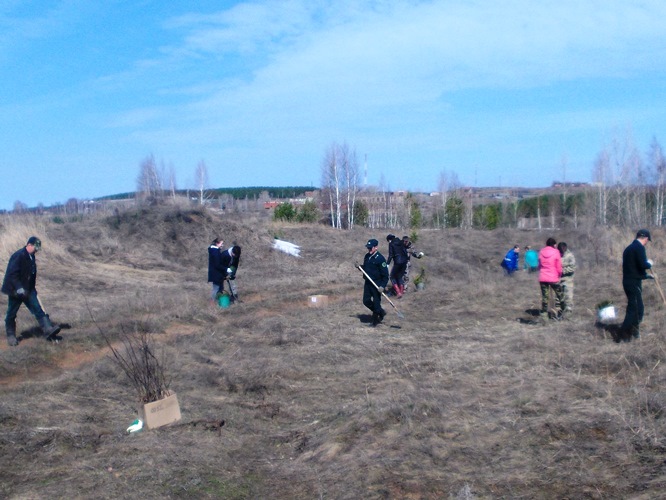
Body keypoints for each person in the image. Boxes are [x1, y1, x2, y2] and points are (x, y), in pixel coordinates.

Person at [2, 236, 60, 346]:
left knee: (38, 309)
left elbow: (31, 274)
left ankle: (48, 329)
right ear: (29, 245)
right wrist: (19, 287)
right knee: (11, 313)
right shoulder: (18, 255)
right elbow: (12, 274)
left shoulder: (31, 257)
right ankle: (11, 336)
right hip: (15, 290)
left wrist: (33, 289)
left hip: (28, 290)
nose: (37, 250)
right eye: (35, 248)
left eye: (38, 249)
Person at [620, 229, 653, 340]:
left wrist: (646, 276)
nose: (646, 243)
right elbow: (643, 265)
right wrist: (649, 264)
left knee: (637, 308)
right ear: (645, 238)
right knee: (634, 309)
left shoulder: (629, 248)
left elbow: (633, 268)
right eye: (647, 240)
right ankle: (624, 335)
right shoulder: (639, 248)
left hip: (629, 281)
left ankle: (634, 332)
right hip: (633, 283)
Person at [362, 238, 389, 326]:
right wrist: (360, 267)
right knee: (366, 301)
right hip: (368, 282)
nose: (369, 249)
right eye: (368, 248)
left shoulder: (380, 259)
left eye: (371, 248)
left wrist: (382, 286)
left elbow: (385, 275)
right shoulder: (367, 256)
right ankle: (380, 312)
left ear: (376, 247)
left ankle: (375, 321)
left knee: (376, 303)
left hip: (377, 284)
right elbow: (366, 268)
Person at [538, 237, 562, 322]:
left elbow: (539, 265)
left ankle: (544, 316)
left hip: (543, 278)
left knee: (545, 297)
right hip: (553, 277)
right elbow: (558, 266)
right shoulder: (556, 252)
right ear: (554, 244)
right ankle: (563, 313)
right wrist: (559, 275)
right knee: (561, 295)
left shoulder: (541, 252)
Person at [386, 233, 408, 297]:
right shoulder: (401, 242)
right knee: (399, 277)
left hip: (397, 262)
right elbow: (405, 251)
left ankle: (398, 292)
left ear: (389, 239)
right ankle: (401, 292)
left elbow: (390, 255)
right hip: (404, 262)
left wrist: (387, 264)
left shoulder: (391, 244)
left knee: (392, 276)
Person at [557, 242, 576, 317]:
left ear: (565, 247)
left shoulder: (570, 256)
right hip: (558, 280)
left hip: (568, 280)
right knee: (559, 298)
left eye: (562, 249)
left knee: (568, 297)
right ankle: (559, 313)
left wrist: (562, 271)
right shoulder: (557, 255)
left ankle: (568, 314)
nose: (561, 250)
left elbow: (572, 268)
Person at [207, 237, 226, 303]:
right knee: (216, 288)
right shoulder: (215, 252)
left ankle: (219, 302)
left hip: (217, 274)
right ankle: (212, 302)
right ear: (217, 243)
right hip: (216, 274)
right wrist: (226, 269)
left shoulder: (216, 251)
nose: (222, 245)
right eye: (221, 243)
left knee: (220, 288)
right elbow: (217, 265)